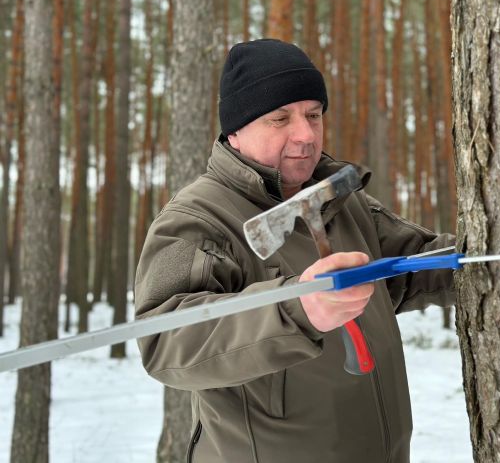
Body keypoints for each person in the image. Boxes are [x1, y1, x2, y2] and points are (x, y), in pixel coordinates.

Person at [135, 38, 456, 463]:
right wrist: (297, 311)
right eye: (280, 118)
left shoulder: (341, 199)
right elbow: (167, 341)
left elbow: (416, 266)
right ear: (235, 129)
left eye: (314, 114)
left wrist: (487, 259)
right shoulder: (199, 217)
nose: (305, 134)